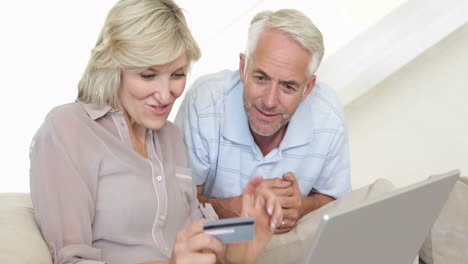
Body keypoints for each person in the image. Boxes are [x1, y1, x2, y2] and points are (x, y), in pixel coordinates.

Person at [29, 0, 282, 263]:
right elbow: (71, 260)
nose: (165, 95)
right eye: (148, 75)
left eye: (177, 74)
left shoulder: (170, 137)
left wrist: (249, 227)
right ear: (113, 67)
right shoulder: (68, 129)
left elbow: (195, 233)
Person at [175, 9, 351, 234]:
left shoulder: (328, 114)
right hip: (218, 234)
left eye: (288, 86)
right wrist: (238, 209)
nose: (269, 101)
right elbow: (176, 209)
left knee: (379, 196)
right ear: (243, 67)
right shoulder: (205, 102)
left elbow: (338, 203)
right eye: (261, 78)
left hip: (287, 235)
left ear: (307, 88)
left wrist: (300, 207)